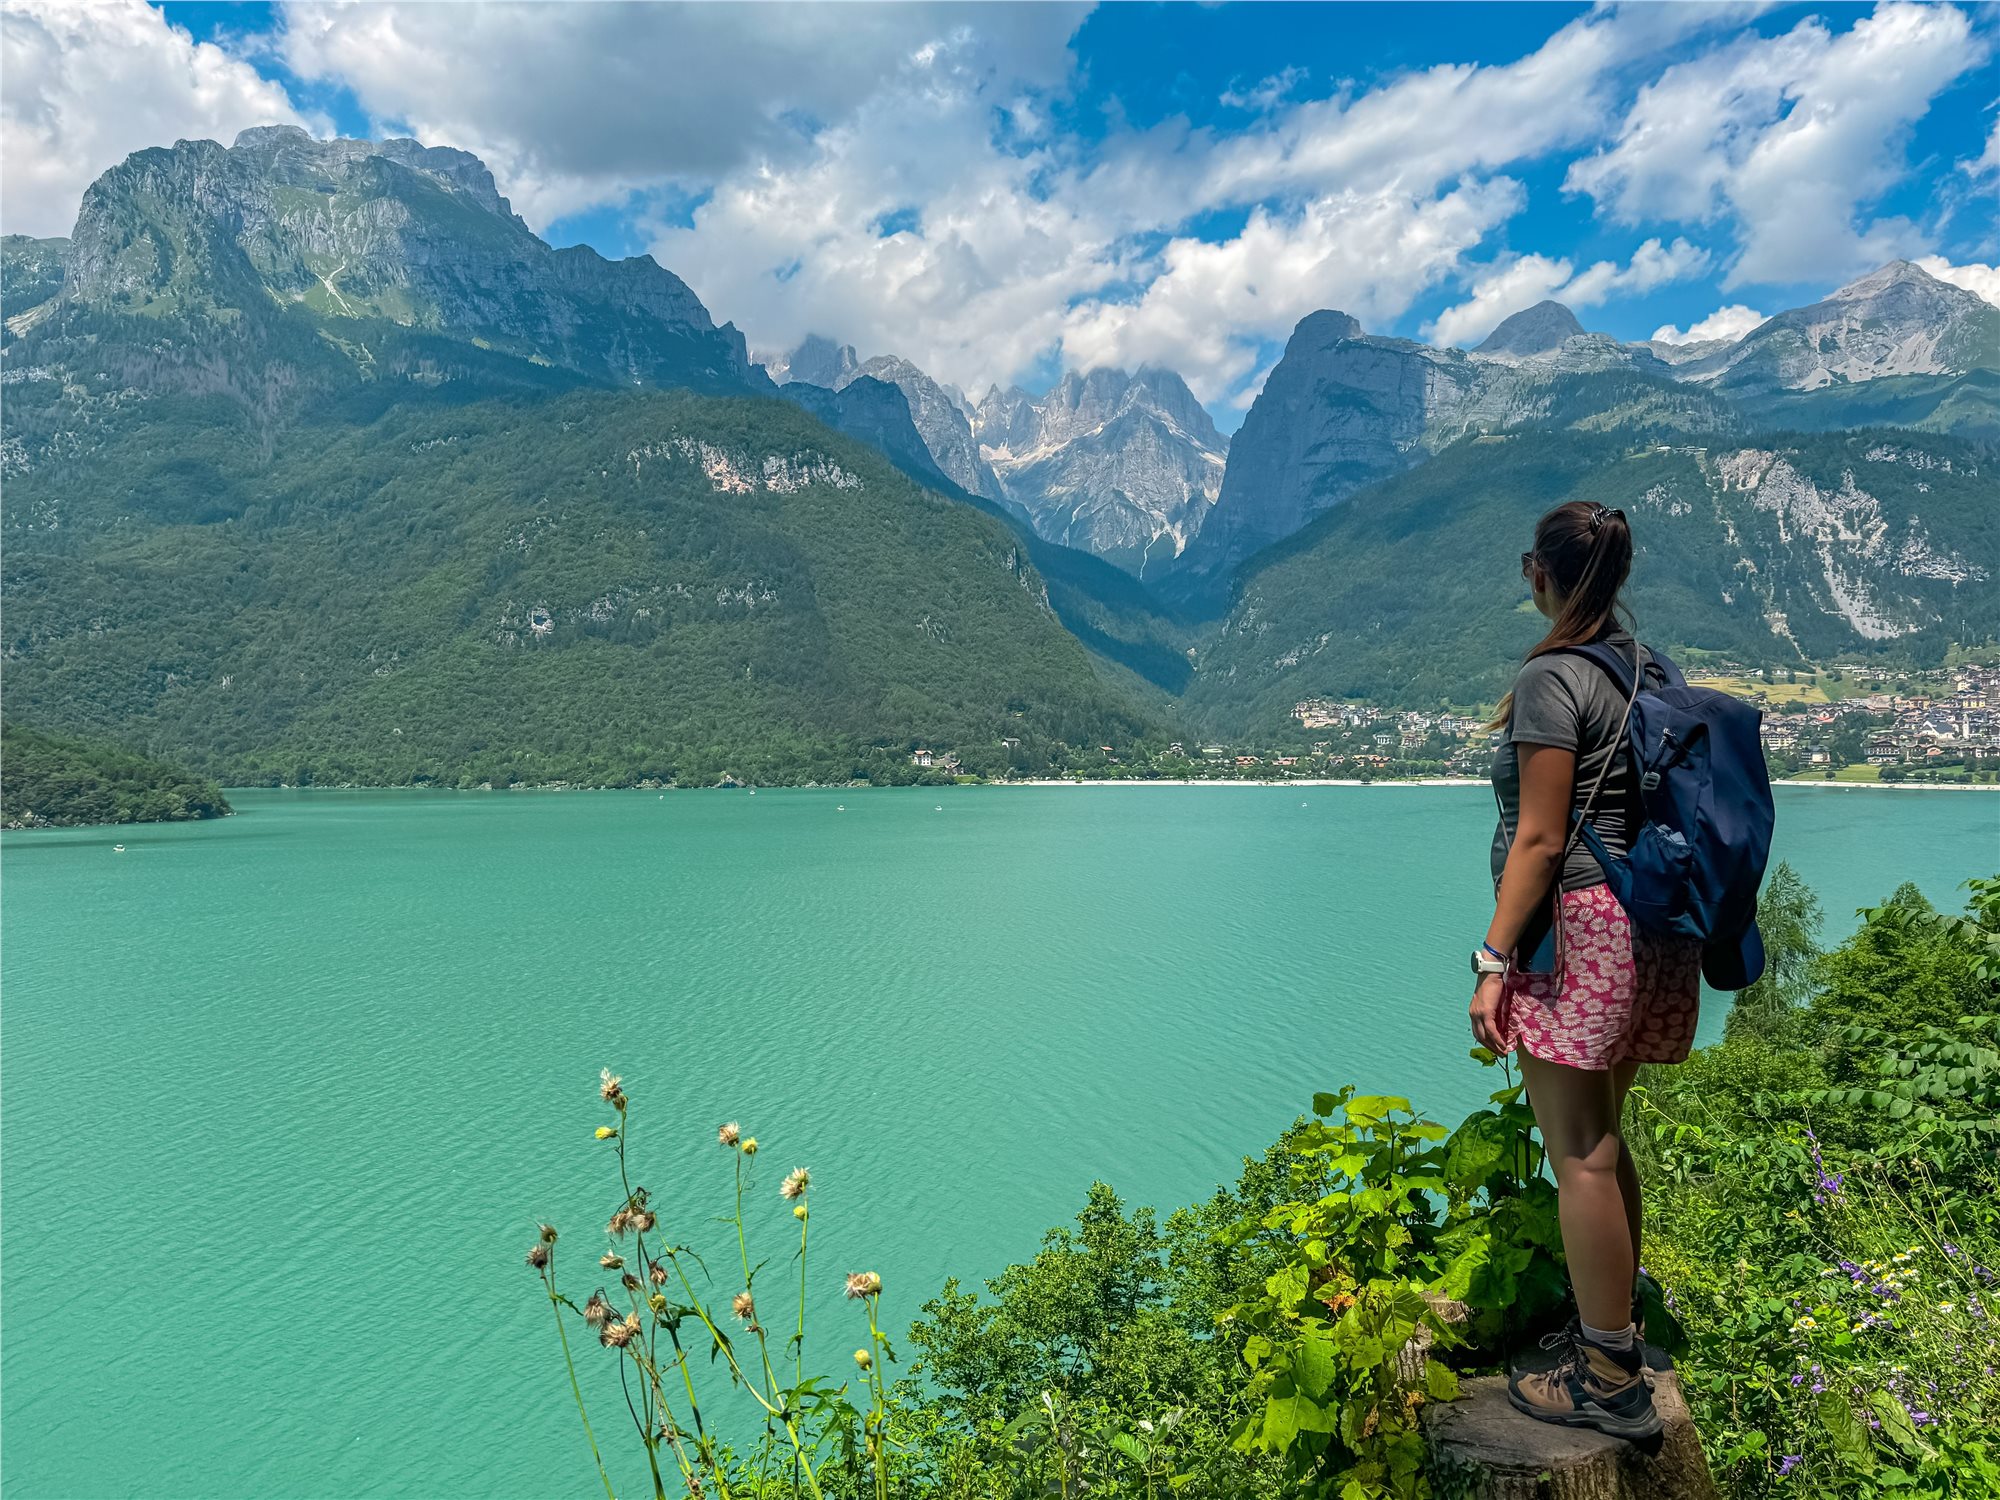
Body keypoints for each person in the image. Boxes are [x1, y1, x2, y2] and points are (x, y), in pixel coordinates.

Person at [1468, 499, 1703, 1443]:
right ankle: (1619, 1327)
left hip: (1583, 934)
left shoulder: (1554, 678)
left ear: (1540, 574)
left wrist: (1492, 960)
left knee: (1579, 1152)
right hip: (1655, 930)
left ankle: (1607, 1375)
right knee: (1607, 1137)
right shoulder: (1651, 669)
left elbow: (1538, 837)